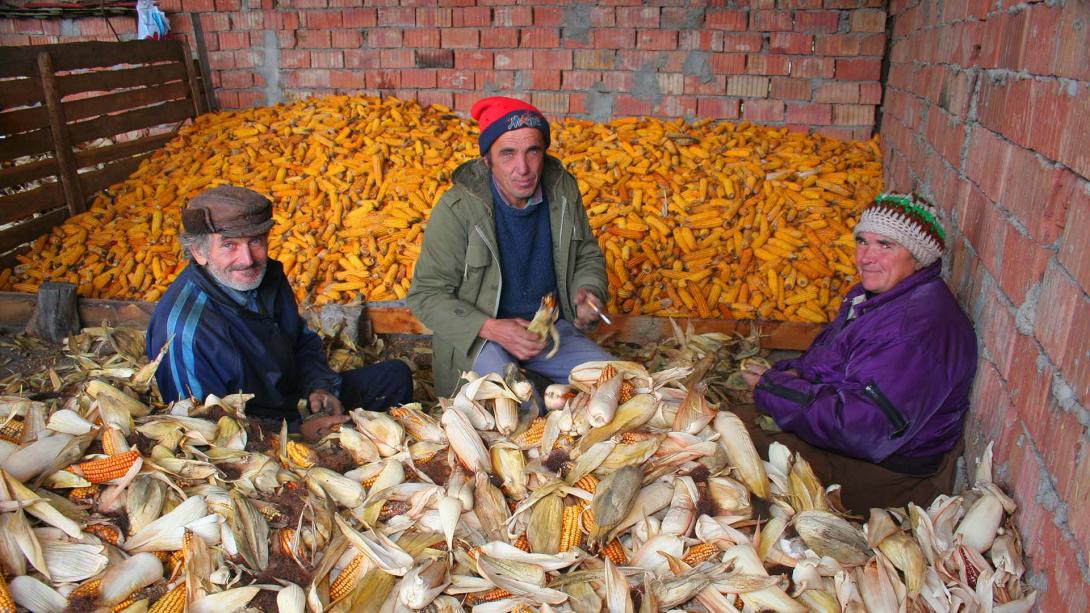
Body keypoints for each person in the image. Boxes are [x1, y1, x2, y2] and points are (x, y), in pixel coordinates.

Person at [740, 193, 977, 512]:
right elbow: (828, 362)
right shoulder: (874, 297)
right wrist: (790, 375)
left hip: (887, 473)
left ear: (918, 257)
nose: (866, 257)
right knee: (726, 422)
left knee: (730, 451)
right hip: (860, 448)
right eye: (862, 242)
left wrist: (773, 389)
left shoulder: (912, 330)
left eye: (885, 245)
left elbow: (862, 429)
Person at [146, 185, 413, 441]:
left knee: (394, 377)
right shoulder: (184, 331)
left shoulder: (267, 276)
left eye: (255, 242)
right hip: (255, 436)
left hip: (292, 403)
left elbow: (301, 343)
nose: (248, 259)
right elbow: (205, 428)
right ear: (198, 252)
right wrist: (296, 433)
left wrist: (319, 388)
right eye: (229, 245)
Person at [407, 96, 613, 398]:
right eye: (507, 154)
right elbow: (425, 295)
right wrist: (492, 327)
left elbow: (586, 254)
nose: (523, 168)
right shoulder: (457, 209)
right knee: (515, 408)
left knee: (620, 385)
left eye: (533, 151)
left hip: (547, 332)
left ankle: (544, 386)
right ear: (487, 159)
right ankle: (537, 393)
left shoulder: (563, 192)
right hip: (482, 338)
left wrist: (589, 292)